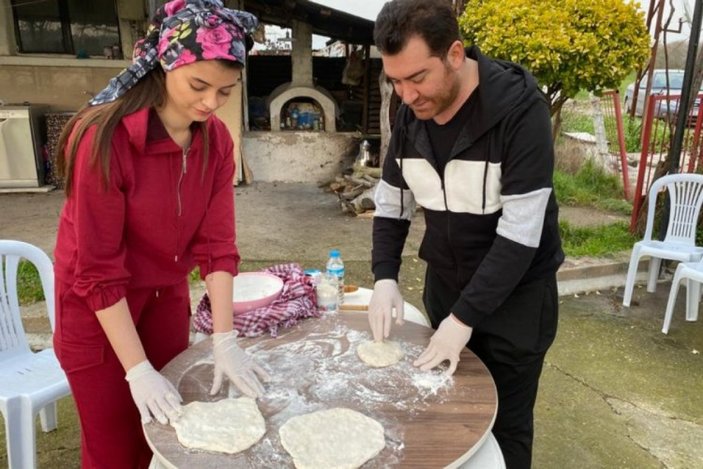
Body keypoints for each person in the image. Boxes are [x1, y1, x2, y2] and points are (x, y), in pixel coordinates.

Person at [52, 1, 268, 467]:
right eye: (198, 85)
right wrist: (136, 369)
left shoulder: (215, 142)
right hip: (99, 317)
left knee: (170, 444)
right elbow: (98, 269)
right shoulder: (104, 141)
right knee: (116, 452)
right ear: (166, 63)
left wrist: (224, 339)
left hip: (164, 303)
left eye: (225, 91)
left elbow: (216, 245)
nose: (211, 103)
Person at [368, 1, 563, 467]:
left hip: (517, 300)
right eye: (395, 80)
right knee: (446, 412)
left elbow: (521, 233)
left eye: (417, 78)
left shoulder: (519, 113)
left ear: (455, 54)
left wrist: (464, 320)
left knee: (505, 426)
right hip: (448, 286)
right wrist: (384, 277)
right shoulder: (410, 114)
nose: (407, 94)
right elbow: (393, 204)